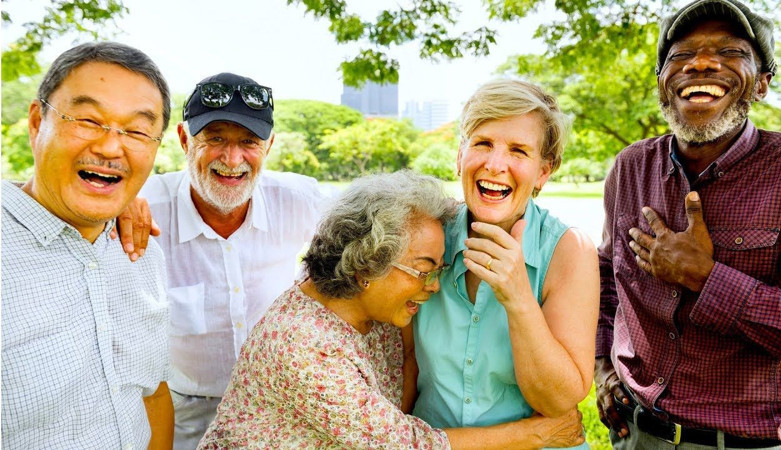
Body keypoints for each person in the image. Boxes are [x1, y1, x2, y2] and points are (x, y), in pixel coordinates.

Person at [198, 170, 586, 449]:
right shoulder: (304, 344)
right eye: (422, 270)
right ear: (367, 265)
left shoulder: (373, 311)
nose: (433, 286)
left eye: (438, 269)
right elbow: (404, 446)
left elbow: (405, 372)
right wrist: (537, 434)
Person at [594, 1, 781, 448]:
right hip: (635, 436)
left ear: (763, 83)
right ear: (661, 84)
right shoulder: (630, 167)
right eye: (681, 55)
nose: (701, 63)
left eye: (729, 52)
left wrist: (707, 280)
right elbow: (606, 278)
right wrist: (602, 365)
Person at [121, 72, 327, 449]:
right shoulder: (142, 205)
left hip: (279, 406)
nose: (232, 159)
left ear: (269, 146)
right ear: (185, 140)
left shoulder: (299, 198)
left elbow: (379, 222)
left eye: (248, 142)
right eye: (215, 139)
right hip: (184, 412)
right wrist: (118, 202)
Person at [410, 79, 600, 449]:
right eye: (483, 144)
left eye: (518, 151)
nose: (496, 165)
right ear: (460, 156)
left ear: (543, 171)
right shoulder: (426, 237)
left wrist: (518, 297)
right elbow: (404, 364)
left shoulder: (569, 250)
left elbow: (558, 401)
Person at [1, 42, 171, 449]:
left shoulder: (142, 250)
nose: (111, 147)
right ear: (37, 121)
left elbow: (152, 392)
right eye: (89, 120)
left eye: (136, 131)